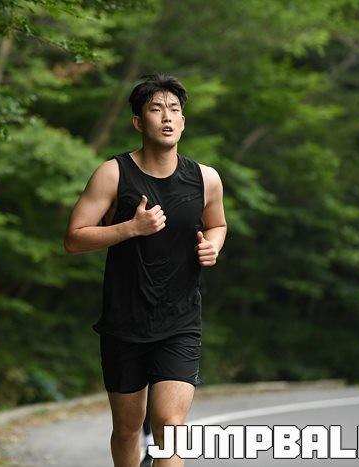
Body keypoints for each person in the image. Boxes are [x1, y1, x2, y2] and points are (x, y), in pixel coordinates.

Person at [64, 73, 227, 467]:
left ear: (183, 121)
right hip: (124, 322)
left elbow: (218, 224)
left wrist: (213, 246)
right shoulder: (113, 173)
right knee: (127, 428)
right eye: (156, 109)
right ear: (139, 122)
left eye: (174, 110)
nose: (167, 117)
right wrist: (130, 228)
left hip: (180, 321)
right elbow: (74, 239)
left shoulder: (205, 179)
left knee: (170, 427)